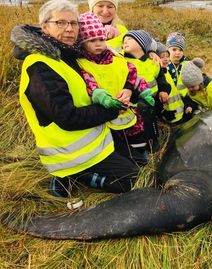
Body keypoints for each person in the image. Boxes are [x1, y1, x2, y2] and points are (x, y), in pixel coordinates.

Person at [11, 0, 140, 197]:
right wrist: (113, 110)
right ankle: (79, 176)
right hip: (70, 155)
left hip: (97, 141)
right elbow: (68, 118)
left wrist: (129, 86)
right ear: (44, 27)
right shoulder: (39, 65)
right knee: (133, 178)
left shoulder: (68, 54)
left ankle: (81, 174)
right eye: (60, 23)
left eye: (73, 23)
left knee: (140, 162)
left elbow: (112, 65)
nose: (69, 29)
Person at [76, 12, 156, 166]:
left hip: (129, 110)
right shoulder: (83, 64)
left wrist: (144, 91)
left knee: (137, 135)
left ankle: (142, 160)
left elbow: (132, 73)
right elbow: (89, 83)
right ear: (82, 43)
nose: (99, 44)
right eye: (92, 40)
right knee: (116, 143)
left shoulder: (116, 58)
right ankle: (127, 162)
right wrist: (101, 97)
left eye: (101, 39)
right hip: (107, 114)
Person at [154, 42, 186, 124]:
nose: (166, 59)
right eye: (162, 57)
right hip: (169, 117)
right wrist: (162, 112)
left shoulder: (166, 71)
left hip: (179, 112)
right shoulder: (156, 76)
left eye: (167, 56)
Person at [166, 32, 188, 97]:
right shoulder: (164, 65)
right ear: (167, 50)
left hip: (184, 99)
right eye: (174, 49)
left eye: (180, 50)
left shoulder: (186, 64)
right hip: (169, 100)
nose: (177, 53)